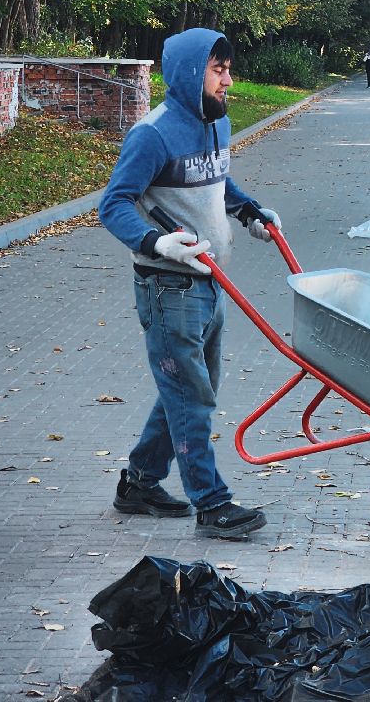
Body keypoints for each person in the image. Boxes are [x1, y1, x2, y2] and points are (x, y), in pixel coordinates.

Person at [99, 28, 280, 539]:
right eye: (217, 71)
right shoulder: (153, 135)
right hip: (169, 289)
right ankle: (212, 502)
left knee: (187, 390)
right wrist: (157, 243)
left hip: (211, 283)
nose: (228, 81)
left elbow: (218, 181)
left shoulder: (217, 122)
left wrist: (250, 212)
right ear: (189, 73)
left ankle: (139, 483)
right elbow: (113, 204)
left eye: (228, 70)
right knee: (191, 396)